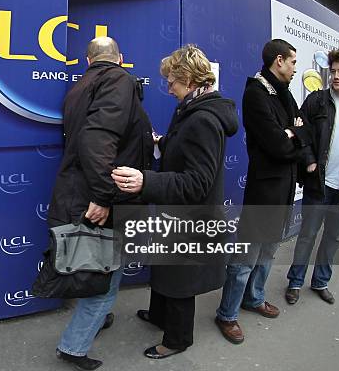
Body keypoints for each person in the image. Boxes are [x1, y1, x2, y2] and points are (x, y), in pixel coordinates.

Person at [111, 44, 238, 359]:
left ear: (191, 80)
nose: (167, 88)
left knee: (179, 280)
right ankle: (158, 316)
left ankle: (177, 339)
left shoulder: (203, 120)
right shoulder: (192, 109)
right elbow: (186, 148)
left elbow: (198, 182)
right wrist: (164, 142)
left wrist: (146, 180)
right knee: (165, 269)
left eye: (172, 82)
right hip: (176, 213)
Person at [49, 36, 154, 370]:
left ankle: (98, 320)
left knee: (98, 267)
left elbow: (98, 135)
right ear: (120, 58)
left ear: (87, 60)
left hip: (81, 190)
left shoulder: (82, 85)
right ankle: (73, 346)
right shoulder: (119, 80)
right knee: (107, 276)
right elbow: (96, 140)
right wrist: (104, 196)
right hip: (104, 196)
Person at [215, 39, 310, 344]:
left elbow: (302, 130)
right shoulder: (256, 93)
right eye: (293, 62)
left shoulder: (283, 92)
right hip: (264, 190)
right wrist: (292, 135)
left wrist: (293, 132)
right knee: (246, 256)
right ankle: (226, 315)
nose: (296, 68)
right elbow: (278, 145)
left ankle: (253, 299)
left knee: (268, 251)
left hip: (283, 189)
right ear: (279, 61)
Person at [286, 49, 339, 305]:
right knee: (307, 235)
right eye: (333, 71)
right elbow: (300, 130)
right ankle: (295, 282)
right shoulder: (316, 101)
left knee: (333, 238)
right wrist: (308, 160)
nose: (335, 76)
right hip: (318, 184)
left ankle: (321, 282)